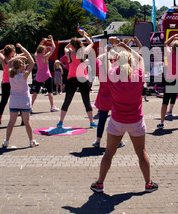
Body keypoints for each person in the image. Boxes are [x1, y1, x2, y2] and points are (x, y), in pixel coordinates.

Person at [90, 42, 158, 193]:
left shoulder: (112, 76)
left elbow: (106, 60)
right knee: (141, 153)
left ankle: (100, 184)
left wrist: (110, 49)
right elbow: (140, 59)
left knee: (108, 154)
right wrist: (126, 48)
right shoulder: (138, 76)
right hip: (136, 121)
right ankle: (148, 184)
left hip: (117, 121)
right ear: (130, 62)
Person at [57, 29, 97, 128]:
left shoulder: (69, 53)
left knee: (67, 100)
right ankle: (91, 122)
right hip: (82, 78)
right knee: (86, 100)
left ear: (72, 45)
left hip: (71, 78)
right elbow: (91, 43)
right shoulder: (83, 52)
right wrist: (84, 35)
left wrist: (70, 44)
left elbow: (65, 47)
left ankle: (61, 122)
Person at [3, 43, 38, 148]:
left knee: (11, 122)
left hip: (14, 100)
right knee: (27, 122)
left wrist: (17, 57)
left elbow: (8, 62)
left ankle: (6, 141)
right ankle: (31, 141)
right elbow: (32, 62)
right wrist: (23, 50)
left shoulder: (10, 73)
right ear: (22, 66)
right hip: (24, 101)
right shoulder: (24, 75)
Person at [92, 36, 125, 148]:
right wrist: (117, 45)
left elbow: (101, 57)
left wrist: (110, 45)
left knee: (102, 119)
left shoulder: (99, 64)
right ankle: (119, 141)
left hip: (103, 95)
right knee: (115, 120)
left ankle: (97, 141)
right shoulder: (113, 68)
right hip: (114, 95)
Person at [31, 36, 59, 112]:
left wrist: (42, 42)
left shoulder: (36, 56)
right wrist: (51, 39)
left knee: (35, 92)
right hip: (47, 75)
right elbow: (53, 47)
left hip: (39, 76)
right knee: (50, 92)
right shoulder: (45, 57)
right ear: (43, 51)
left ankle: (30, 106)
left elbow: (37, 50)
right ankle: (52, 106)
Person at [0, 44, 16, 127]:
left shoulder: (3, 59)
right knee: (16, 99)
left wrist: (2, 51)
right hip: (12, 82)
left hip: (4, 82)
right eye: (13, 51)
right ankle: (22, 118)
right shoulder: (13, 60)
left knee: (3, 101)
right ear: (11, 52)